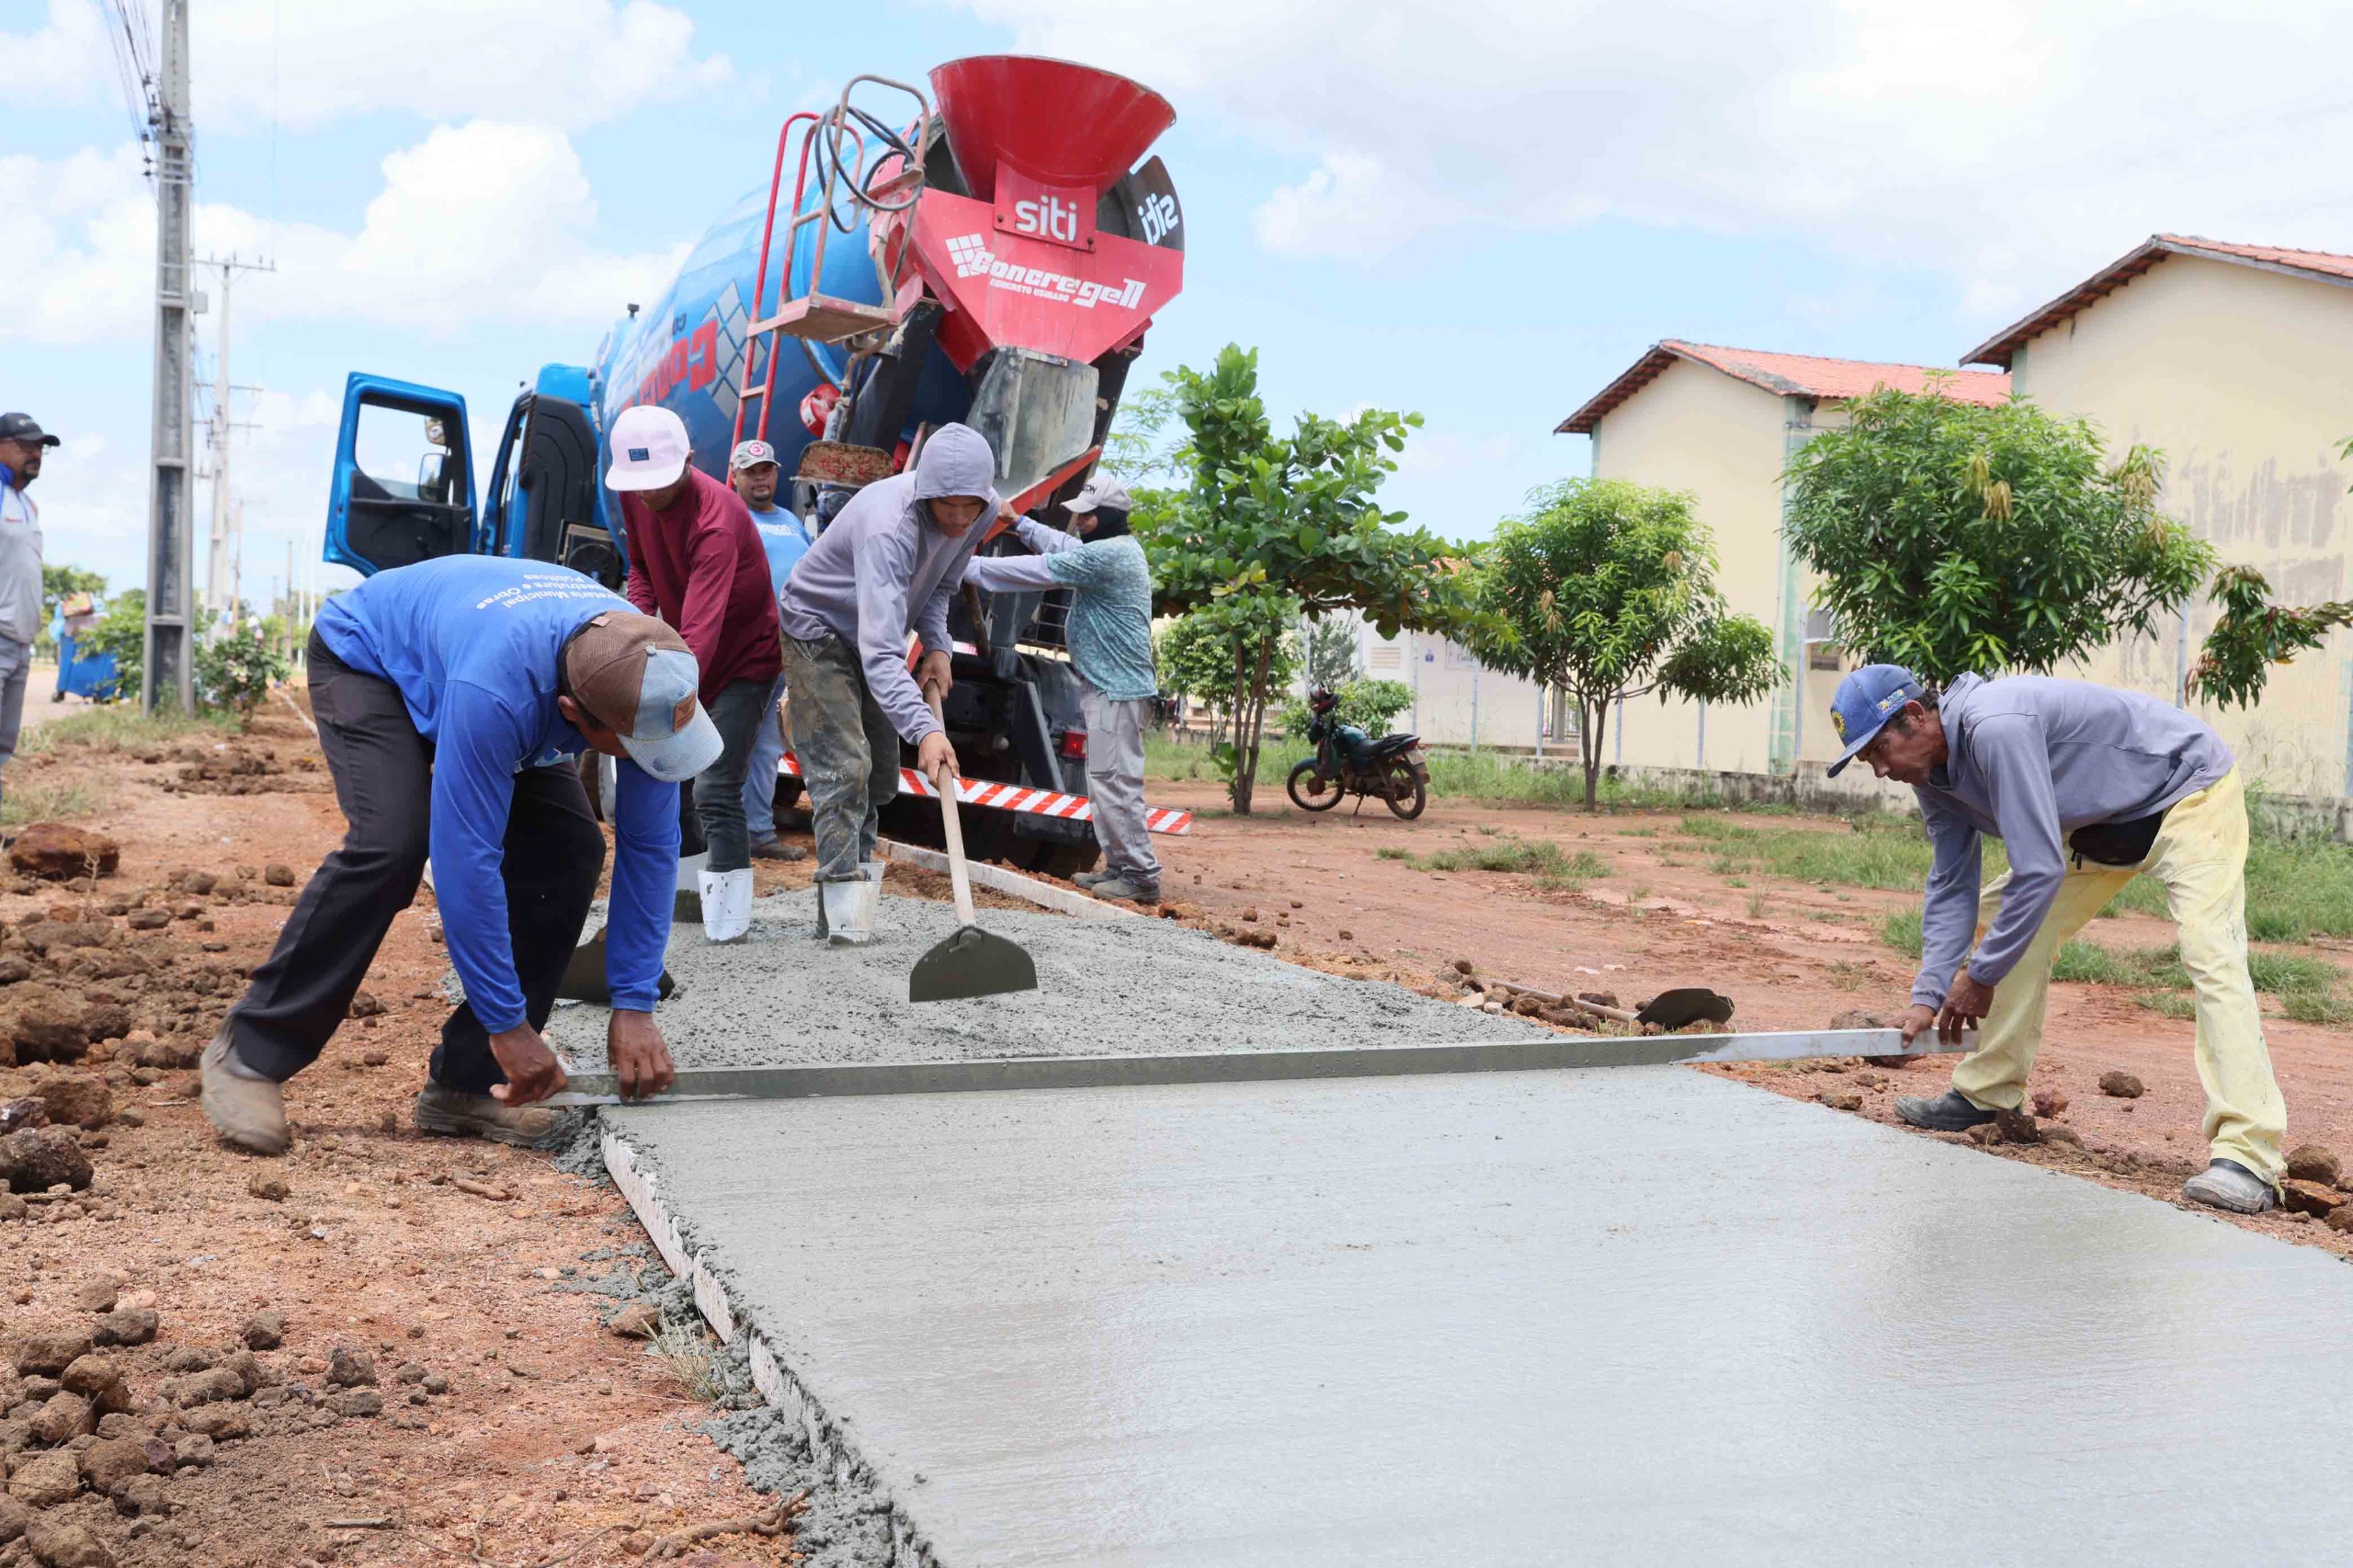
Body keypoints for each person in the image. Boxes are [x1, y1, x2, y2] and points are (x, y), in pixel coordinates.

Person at [200, 556, 714, 1156]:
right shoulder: (499, 694)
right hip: (371, 661)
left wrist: (634, 1002)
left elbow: (651, 847)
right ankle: (250, 1055)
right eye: (632, 745)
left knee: (570, 852)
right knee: (392, 844)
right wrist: (508, 1024)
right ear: (574, 717)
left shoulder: (647, 669)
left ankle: (468, 1085)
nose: (654, 756)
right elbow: (467, 862)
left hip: (489, 664)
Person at [1829, 663, 2289, 1214]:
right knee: (2000, 915)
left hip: (2185, 793)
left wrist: (1979, 977)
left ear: (1915, 716)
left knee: (2210, 952)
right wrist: (1927, 995)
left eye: (1879, 751)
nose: (1879, 770)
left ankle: (2249, 1155)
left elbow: (2039, 868)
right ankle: (1987, 1093)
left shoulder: (1994, 726)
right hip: (2099, 826)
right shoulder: (1934, 778)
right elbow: (1952, 885)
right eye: (1867, 761)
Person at [779, 423, 996, 943]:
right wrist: (926, 731)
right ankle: (838, 918)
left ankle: (857, 907)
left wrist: (939, 645)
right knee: (845, 767)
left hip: (871, 633)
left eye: (971, 506)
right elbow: (882, 655)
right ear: (926, 494)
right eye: (949, 507)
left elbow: (942, 585)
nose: (961, 518)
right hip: (819, 628)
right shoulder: (888, 528)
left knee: (877, 778)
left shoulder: (980, 510)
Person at [606, 405, 784, 942]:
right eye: (639, 486)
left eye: (658, 482)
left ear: (689, 460)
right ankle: (686, 902)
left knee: (714, 782)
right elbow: (640, 570)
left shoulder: (717, 521)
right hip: (692, 647)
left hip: (746, 659)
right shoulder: (636, 491)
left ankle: (729, 923)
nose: (648, 495)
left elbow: (702, 628)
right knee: (672, 776)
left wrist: (665, 695)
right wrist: (637, 634)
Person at [961, 475, 1162, 903]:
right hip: (1111, 688)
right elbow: (1063, 547)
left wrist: (963, 567)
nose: (1080, 521)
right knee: (1106, 780)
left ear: (1106, 517)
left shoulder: (1109, 557)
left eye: (1087, 516)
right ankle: (1122, 866)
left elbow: (1037, 571)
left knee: (1116, 782)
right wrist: (1019, 524)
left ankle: (1140, 875)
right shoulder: (1111, 551)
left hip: (1118, 691)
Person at [727, 438, 812, 861]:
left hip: (784, 652)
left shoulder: (793, 524)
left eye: (767, 469)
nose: (761, 478)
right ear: (735, 476)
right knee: (724, 741)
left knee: (767, 747)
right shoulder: (727, 516)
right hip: (737, 652)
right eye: (751, 471)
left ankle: (757, 832)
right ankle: (709, 835)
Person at [0, 413, 55, 825]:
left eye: (40, 447)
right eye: (25, 446)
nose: (35, 453)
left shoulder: (25, 502)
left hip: (19, 643)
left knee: (3, 745)